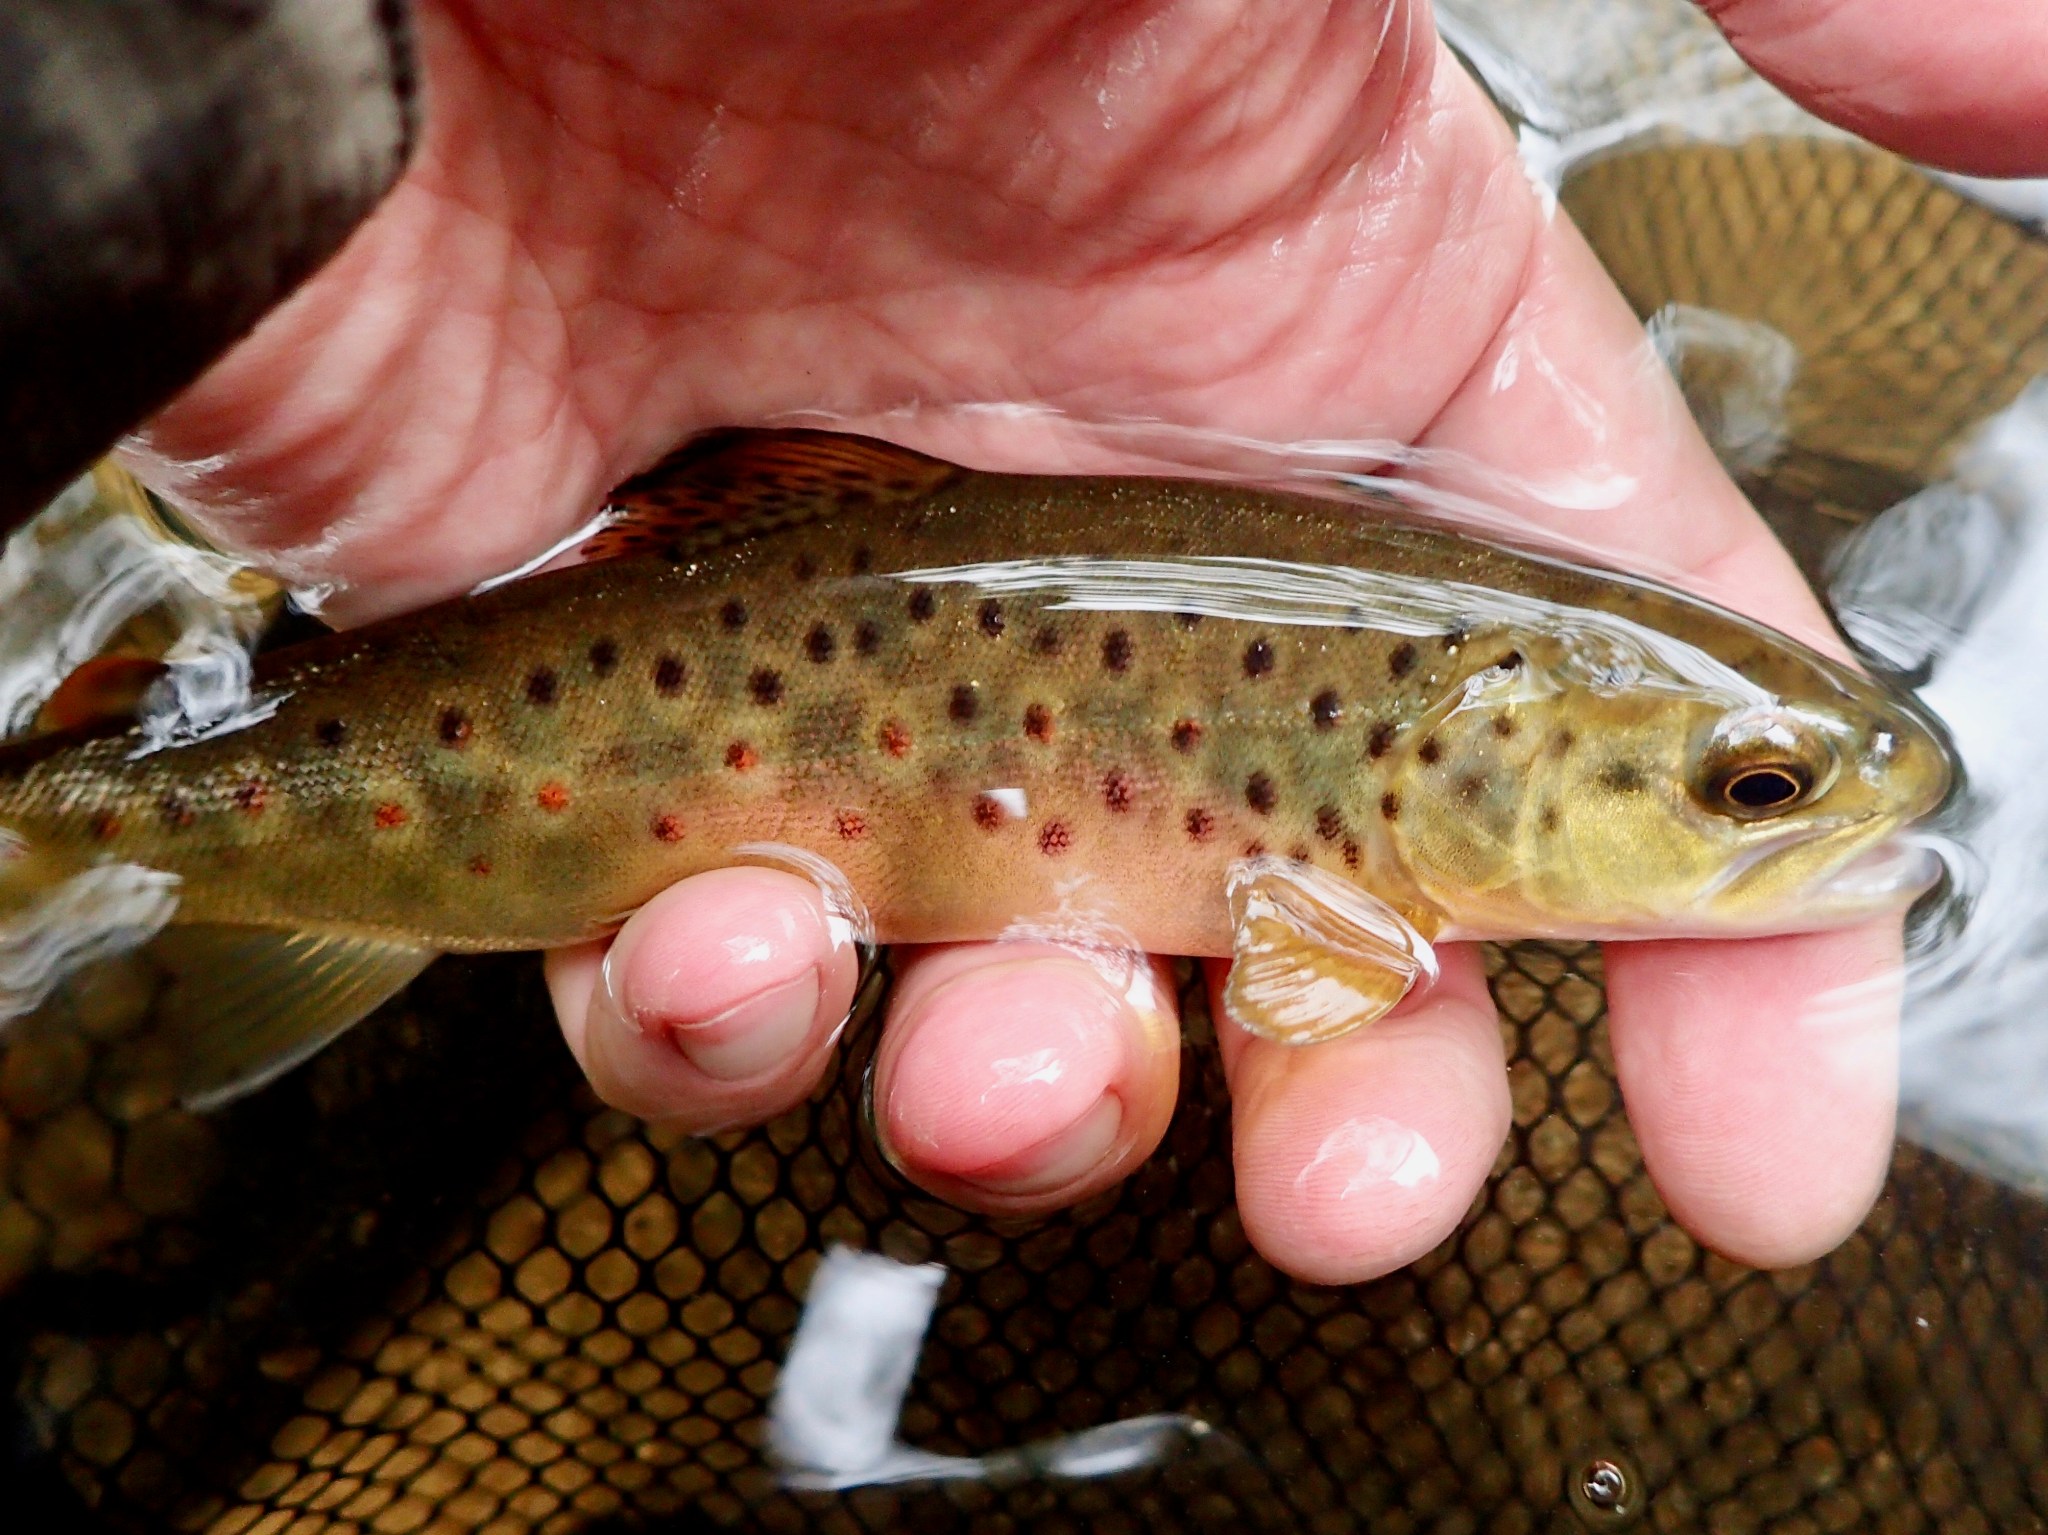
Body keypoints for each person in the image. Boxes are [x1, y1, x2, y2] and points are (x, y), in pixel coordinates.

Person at [98, 0, 2048, 1285]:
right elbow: (1305, 975)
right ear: (1453, 771)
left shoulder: (1395, 731)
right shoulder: (1368, 836)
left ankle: (95, 825)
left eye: (1756, 783)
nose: (1802, 807)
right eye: (1755, 790)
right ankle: (92, 827)